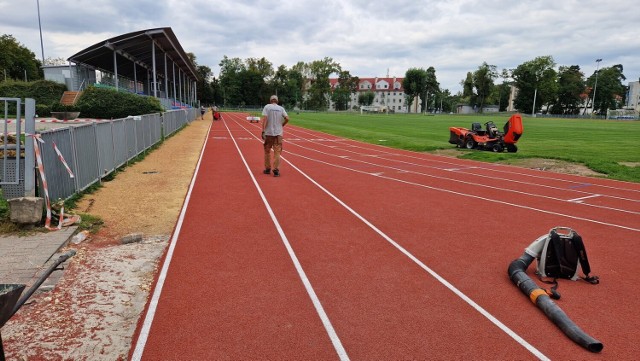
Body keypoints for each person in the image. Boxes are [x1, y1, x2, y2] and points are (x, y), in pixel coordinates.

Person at [261, 95, 289, 177]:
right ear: (277, 101)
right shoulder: (281, 108)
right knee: (277, 152)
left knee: (267, 151)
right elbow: (287, 118)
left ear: (270, 100)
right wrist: (282, 125)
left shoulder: (267, 107)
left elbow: (265, 119)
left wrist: (263, 130)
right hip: (278, 133)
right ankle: (276, 170)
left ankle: (267, 169)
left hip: (269, 133)